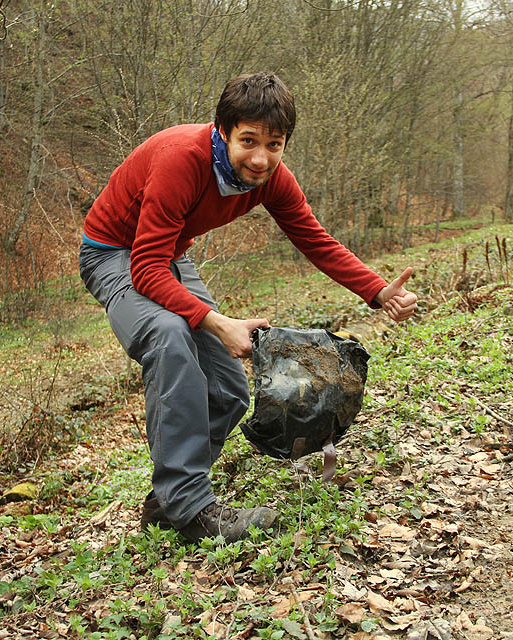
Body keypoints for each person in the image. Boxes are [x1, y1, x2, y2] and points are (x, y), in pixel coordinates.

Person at [79, 72, 417, 544]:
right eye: (248, 141)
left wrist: (378, 291)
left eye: (274, 145)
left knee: (229, 389)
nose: (260, 158)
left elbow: (314, 240)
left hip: (168, 255)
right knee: (169, 337)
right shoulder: (182, 161)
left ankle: (166, 502)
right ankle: (191, 509)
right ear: (223, 131)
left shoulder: (273, 179)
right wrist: (217, 323)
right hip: (114, 253)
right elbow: (146, 270)